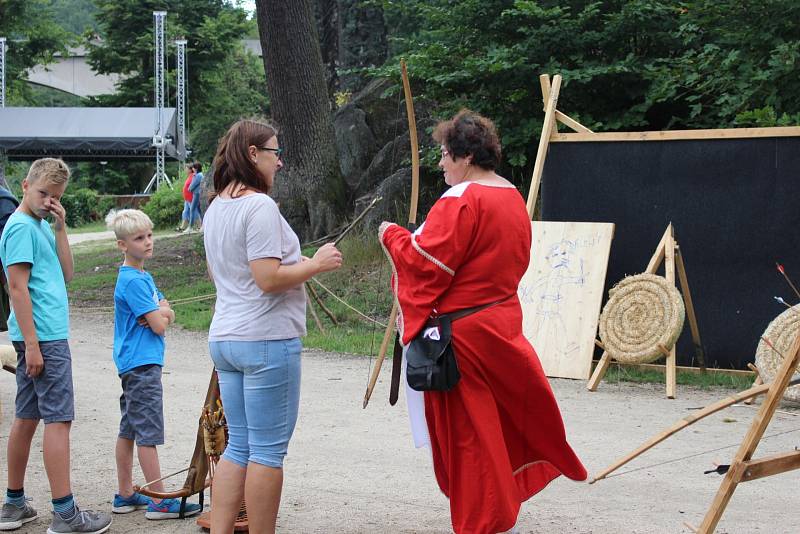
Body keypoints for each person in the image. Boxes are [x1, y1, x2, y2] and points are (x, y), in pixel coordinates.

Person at [378, 111, 587, 534]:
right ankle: (492, 511)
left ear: (467, 156)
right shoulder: (511, 196)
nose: (440, 164)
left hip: (465, 338)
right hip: (500, 325)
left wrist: (392, 235)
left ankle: (480, 521)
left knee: (469, 434)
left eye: (444, 155)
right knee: (490, 426)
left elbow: (426, 264)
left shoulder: (463, 199)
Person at [202, 119, 342, 533]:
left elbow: (222, 276)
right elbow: (266, 278)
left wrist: (298, 267)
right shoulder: (258, 206)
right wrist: (314, 265)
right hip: (264, 339)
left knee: (240, 446)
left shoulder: (216, 207)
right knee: (265, 451)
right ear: (252, 154)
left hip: (227, 336)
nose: (279, 163)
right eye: (274, 153)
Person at [0, 158, 113, 533]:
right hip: (43, 337)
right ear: (24, 185)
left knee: (28, 416)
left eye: (56, 196)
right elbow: (15, 288)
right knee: (58, 420)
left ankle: (14, 504)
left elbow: (66, 273)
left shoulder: (40, 226)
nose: (48, 200)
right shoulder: (19, 228)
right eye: (43, 192)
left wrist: (61, 226)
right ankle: (65, 514)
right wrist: (32, 344)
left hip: (42, 336)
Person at [105, 209, 202, 521]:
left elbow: (165, 313)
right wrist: (161, 313)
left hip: (136, 363)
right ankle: (158, 500)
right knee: (147, 430)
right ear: (122, 245)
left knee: (130, 428)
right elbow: (160, 324)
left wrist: (162, 312)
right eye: (139, 238)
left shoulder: (144, 277)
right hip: (141, 365)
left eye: (149, 235)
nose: (148, 242)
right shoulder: (132, 281)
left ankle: (125, 494)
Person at [176, 164, 195, 232]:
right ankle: (183, 227)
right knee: (185, 212)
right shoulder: (189, 176)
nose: (185, 170)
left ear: (190, 170)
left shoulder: (193, 176)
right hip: (187, 199)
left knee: (194, 212)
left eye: (186, 169)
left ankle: (199, 225)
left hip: (191, 198)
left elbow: (193, 186)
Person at [187, 162, 204, 231]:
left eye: (193, 167)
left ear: (196, 168)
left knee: (192, 209)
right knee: (200, 211)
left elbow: (192, 185)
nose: (192, 169)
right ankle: (203, 226)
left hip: (197, 194)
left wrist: (189, 189)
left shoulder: (198, 176)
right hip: (197, 194)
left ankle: (190, 227)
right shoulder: (197, 175)